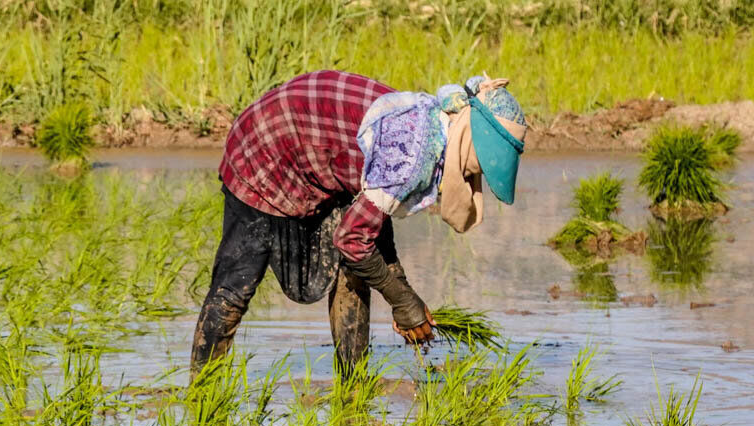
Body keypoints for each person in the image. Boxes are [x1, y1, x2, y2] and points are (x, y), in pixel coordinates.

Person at [191, 71, 528, 375]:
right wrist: (402, 300)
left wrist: (404, 296)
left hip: (316, 150)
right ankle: (204, 399)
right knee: (236, 284)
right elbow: (353, 240)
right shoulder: (414, 155)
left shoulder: (441, 127)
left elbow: (372, 232)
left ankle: (353, 387)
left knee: (354, 272)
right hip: (266, 144)